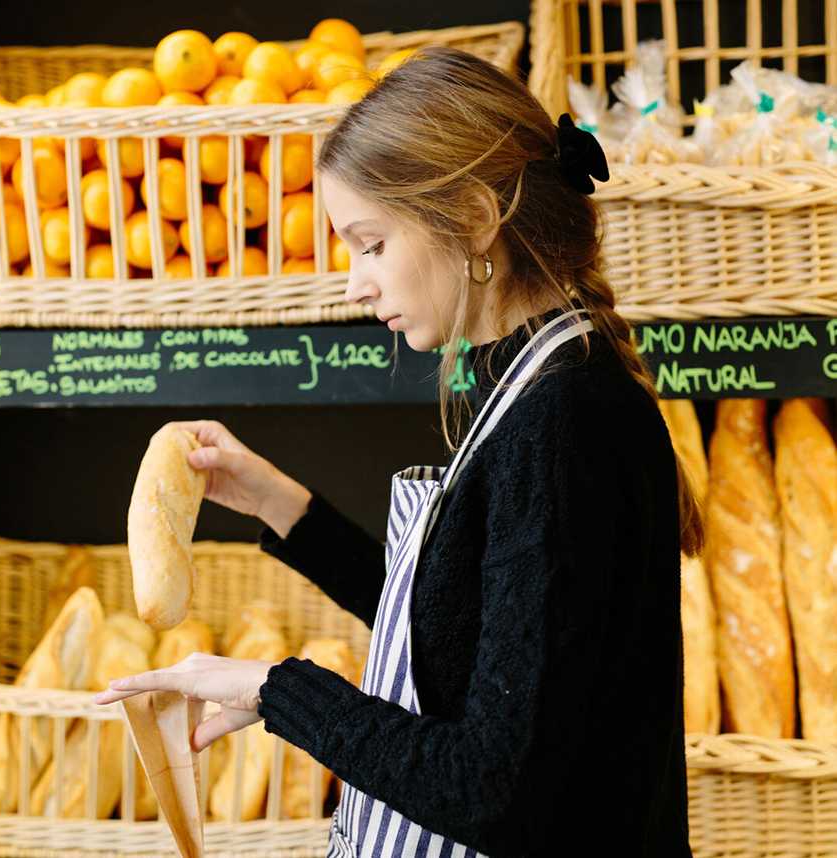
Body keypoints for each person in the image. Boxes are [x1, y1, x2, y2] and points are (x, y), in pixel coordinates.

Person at [95, 46, 703, 857]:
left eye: (371, 244)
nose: (353, 283)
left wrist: (283, 694)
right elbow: (459, 630)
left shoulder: (564, 426)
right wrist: (282, 505)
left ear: (478, 218)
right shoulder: (538, 388)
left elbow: (492, 787)